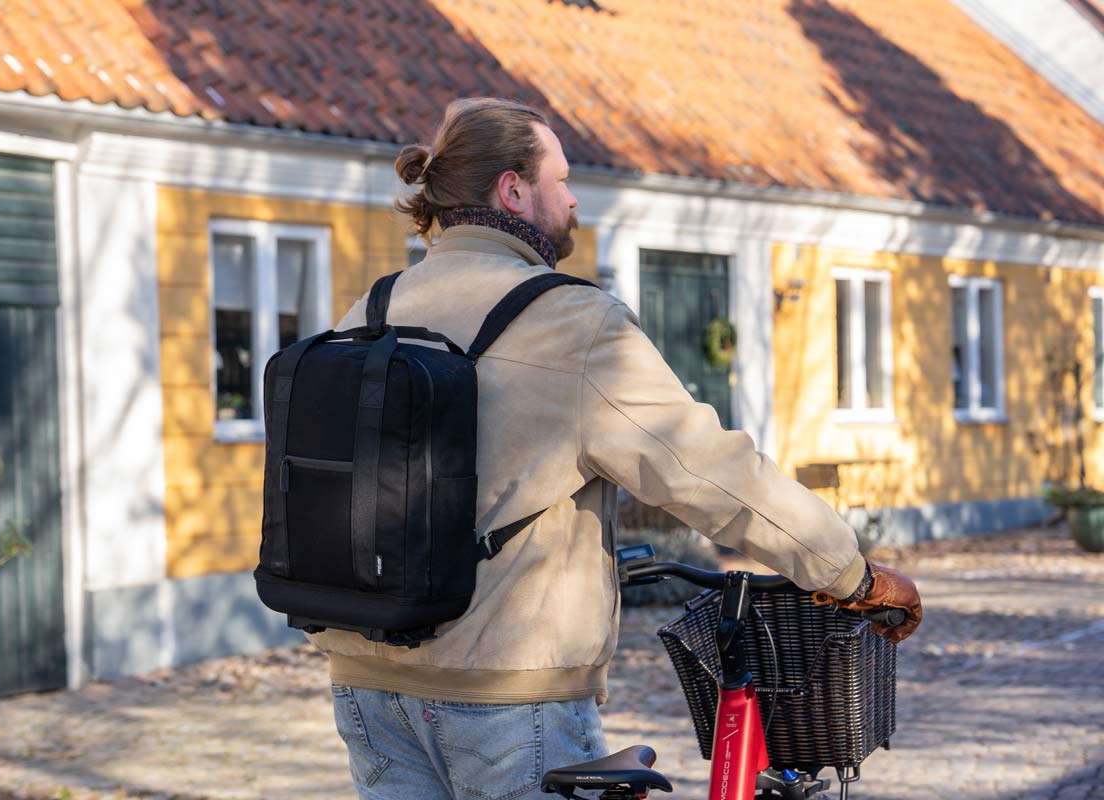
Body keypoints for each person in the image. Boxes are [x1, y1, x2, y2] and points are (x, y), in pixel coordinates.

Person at [310, 97, 923, 800]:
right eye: (560, 179)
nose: (573, 198)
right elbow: (707, 469)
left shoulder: (374, 308)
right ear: (512, 189)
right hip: (507, 691)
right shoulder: (570, 319)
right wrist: (848, 570)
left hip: (366, 683)